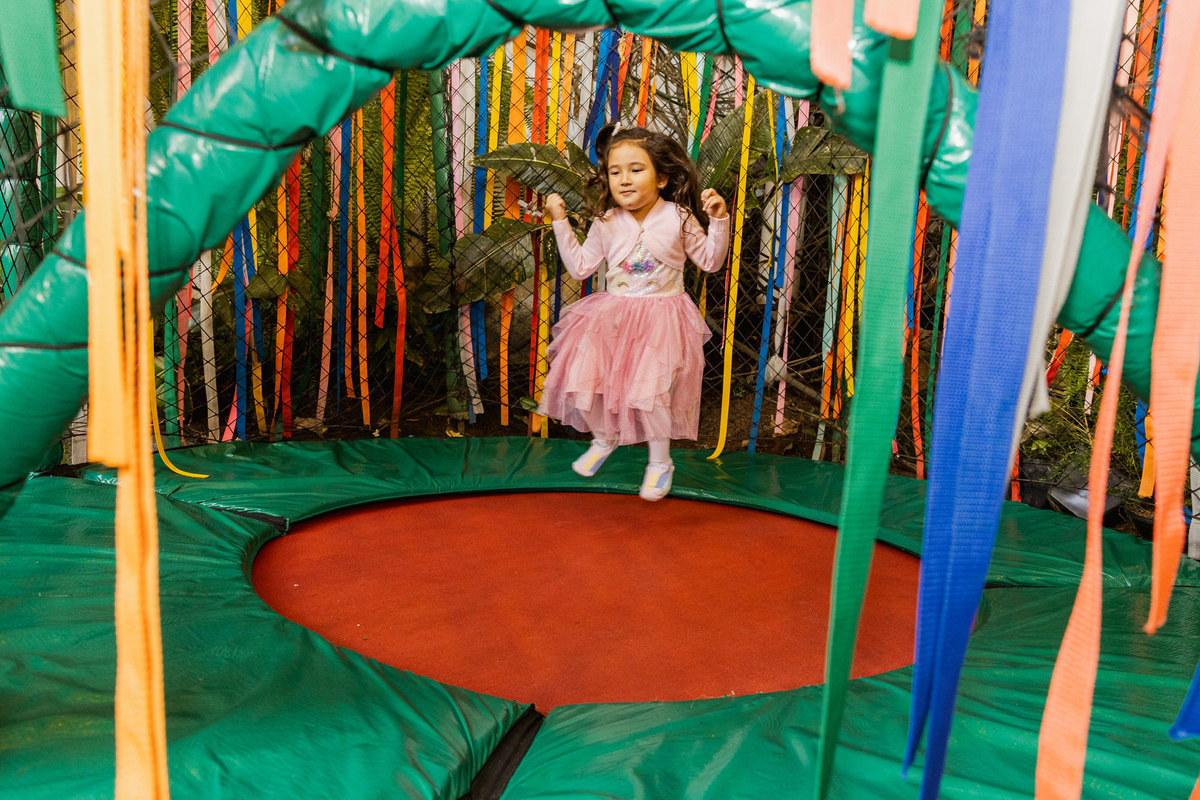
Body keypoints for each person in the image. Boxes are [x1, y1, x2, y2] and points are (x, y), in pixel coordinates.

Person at [538, 123, 730, 501]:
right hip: (610, 318)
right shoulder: (607, 223)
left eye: (636, 169)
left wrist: (719, 220)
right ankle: (605, 437)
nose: (624, 179)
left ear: (661, 178)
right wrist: (560, 222)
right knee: (584, 378)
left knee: (651, 392)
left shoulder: (679, 217)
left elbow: (710, 262)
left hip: (661, 320)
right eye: (615, 171)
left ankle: (660, 464)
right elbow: (580, 268)